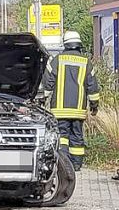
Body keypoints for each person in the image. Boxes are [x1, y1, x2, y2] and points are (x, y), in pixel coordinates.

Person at [42, 31, 100, 171]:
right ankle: (76, 164)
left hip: (59, 110)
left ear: (65, 44)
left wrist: (43, 100)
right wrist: (94, 105)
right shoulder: (86, 62)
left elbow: (48, 83)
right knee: (77, 137)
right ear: (78, 44)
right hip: (78, 109)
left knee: (62, 137)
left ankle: (63, 164)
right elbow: (92, 86)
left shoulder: (57, 60)